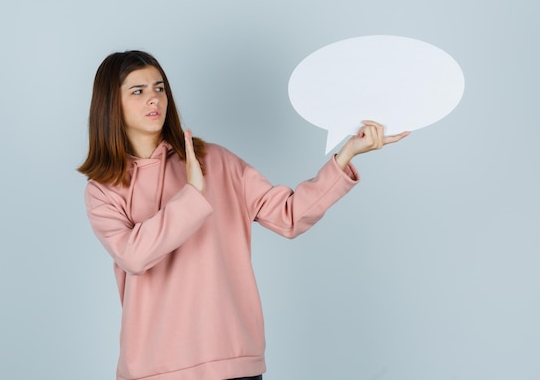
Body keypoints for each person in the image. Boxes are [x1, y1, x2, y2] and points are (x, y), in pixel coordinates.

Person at [78, 50, 409, 380]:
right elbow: (134, 256)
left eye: (159, 87)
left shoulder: (216, 161)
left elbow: (288, 216)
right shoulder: (104, 189)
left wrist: (346, 154)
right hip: (155, 368)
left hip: (233, 359)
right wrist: (192, 194)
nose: (154, 98)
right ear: (111, 105)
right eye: (138, 91)